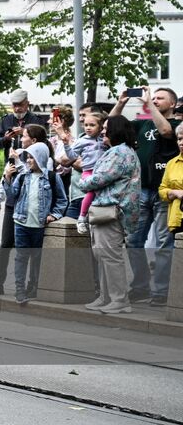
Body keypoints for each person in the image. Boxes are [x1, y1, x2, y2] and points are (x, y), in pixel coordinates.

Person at [110, 86, 177, 306]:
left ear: (173, 104)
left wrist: (149, 105)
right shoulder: (142, 124)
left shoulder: (177, 125)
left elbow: (166, 131)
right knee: (133, 241)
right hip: (141, 191)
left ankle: (160, 292)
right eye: (153, 97)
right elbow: (112, 126)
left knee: (162, 245)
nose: (155, 100)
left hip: (164, 193)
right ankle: (140, 286)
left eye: (160, 98)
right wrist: (121, 103)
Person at [77, 115, 145, 314]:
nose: (103, 131)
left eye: (107, 128)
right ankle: (106, 297)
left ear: (116, 130)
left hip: (111, 210)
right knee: (103, 254)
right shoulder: (121, 151)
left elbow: (99, 179)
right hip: (107, 210)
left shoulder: (119, 152)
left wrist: (83, 181)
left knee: (110, 255)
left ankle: (119, 300)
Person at [0, 123, 67, 305]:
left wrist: (55, 214)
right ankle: (20, 289)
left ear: (41, 157)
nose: (28, 160)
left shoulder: (52, 177)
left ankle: (33, 286)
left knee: (37, 258)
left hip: (39, 225)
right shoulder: (23, 176)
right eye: (27, 157)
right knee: (21, 257)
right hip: (21, 223)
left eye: (32, 157)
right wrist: (7, 178)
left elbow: (62, 200)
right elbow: (12, 197)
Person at [0, 89, 47, 297]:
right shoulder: (6, 120)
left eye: (20, 105)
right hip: (12, 180)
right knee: (6, 243)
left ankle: (32, 285)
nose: (17, 109)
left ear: (27, 104)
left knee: (31, 249)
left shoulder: (37, 120)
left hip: (31, 201)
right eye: (14, 105)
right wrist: (6, 138)